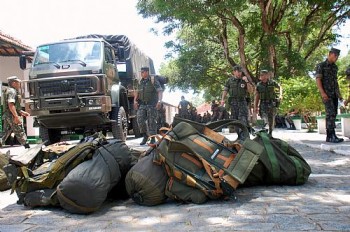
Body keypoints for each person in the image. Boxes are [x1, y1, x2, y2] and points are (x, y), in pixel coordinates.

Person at [315, 48, 344, 143]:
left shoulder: (335, 67)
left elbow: (335, 82)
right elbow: (318, 80)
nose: (336, 58)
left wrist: (339, 94)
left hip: (334, 94)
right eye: (335, 55)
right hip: (326, 94)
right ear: (330, 54)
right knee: (330, 114)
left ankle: (331, 136)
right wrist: (322, 93)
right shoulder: (321, 66)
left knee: (334, 113)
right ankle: (331, 135)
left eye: (337, 56)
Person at [221, 65, 254, 139]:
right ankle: (240, 137)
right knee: (235, 121)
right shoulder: (229, 81)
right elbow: (225, 90)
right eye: (238, 71)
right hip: (233, 103)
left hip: (242, 102)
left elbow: (251, 91)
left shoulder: (244, 80)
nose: (239, 73)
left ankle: (244, 138)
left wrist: (247, 81)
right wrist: (222, 99)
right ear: (234, 72)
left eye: (240, 71)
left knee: (243, 120)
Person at [134, 67, 163, 145]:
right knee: (140, 120)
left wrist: (159, 101)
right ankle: (145, 136)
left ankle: (153, 138)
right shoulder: (140, 82)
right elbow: (137, 92)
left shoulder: (153, 80)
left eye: (143, 72)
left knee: (151, 121)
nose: (141, 73)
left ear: (147, 72)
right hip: (142, 104)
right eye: (141, 72)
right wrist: (135, 101)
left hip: (152, 104)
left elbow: (159, 91)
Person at [0, 76, 30, 148]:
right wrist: (16, 117)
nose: (19, 84)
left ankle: (0, 142)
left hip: (7, 115)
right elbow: (11, 105)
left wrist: (21, 112)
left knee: (5, 132)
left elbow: (14, 106)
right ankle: (27, 146)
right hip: (11, 115)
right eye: (18, 82)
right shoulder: (12, 91)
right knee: (19, 130)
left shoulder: (9, 90)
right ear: (13, 83)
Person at [254, 70, 282, 136]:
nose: (261, 76)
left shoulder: (272, 82)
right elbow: (257, 96)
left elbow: (280, 87)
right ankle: (266, 127)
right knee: (263, 116)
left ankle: (270, 132)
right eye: (260, 75)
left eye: (262, 75)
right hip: (263, 103)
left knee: (271, 118)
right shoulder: (259, 85)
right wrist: (255, 106)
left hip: (271, 103)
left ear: (267, 76)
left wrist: (280, 95)